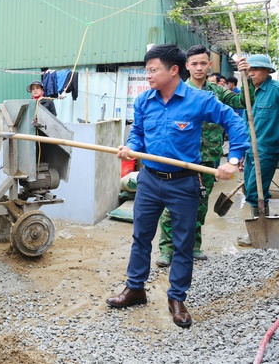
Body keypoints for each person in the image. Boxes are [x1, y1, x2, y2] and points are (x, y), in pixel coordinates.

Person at [106, 44, 248, 328]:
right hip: (149, 180)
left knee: (183, 245)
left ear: (173, 70)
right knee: (141, 237)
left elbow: (234, 121)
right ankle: (135, 288)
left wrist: (232, 160)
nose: (148, 75)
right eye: (146, 70)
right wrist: (132, 148)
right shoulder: (145, 100)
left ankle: (177, 298)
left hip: (183, 184)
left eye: (153, 69)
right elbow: (138, 133)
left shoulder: (199, 100)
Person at [155, 45, 252, 267]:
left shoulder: (216, 92)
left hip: (208, 157)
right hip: (181, 158)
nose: (199, 68)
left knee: (199, 203)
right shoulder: (176, 90)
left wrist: (247, 78)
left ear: (209, 65)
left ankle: (193, 246)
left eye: (203, 63)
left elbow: (244, 102)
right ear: (186, 66)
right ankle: (167, 249)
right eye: (194, 63)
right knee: (172, 205)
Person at [235, 55, 279, 246]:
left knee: (255, 190)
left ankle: (260, 232)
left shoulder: (276, 91)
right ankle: (260, 229)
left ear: (268, 71)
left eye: (256, 70)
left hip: (267, 150)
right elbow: (246, 121)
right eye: (248, 70)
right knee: (251, 188)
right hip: (250, 150)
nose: (251, 73)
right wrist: (243, 151)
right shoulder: (248, 92)